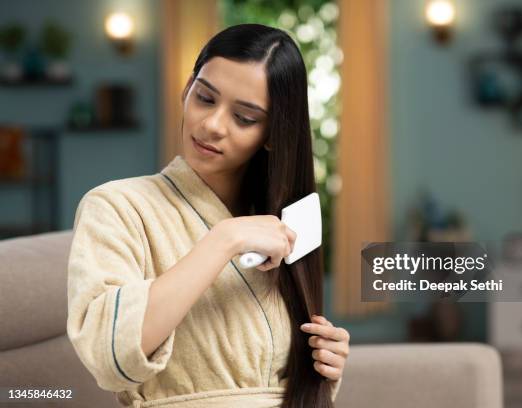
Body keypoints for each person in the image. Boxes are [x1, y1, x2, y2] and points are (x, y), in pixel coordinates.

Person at [66, 23, 349, 408]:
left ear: (271, 133)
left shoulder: (280, 228)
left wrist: (321, 368)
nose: (212, 125)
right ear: (186, 90)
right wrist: (223, 240)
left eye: (245, 118)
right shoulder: (115, 206)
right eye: (204, 98)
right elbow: (108, 355)